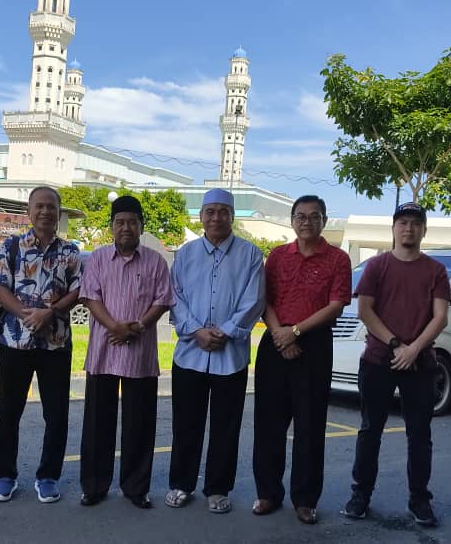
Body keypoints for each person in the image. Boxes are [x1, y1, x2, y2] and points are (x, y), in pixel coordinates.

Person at [342, 201, 450, 526]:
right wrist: (395, 344)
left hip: (420, 364)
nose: (408, 228)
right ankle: (360, 495)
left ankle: (420, 500)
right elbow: (365, 311)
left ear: (424, 230)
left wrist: (413, 349)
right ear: (393, 228)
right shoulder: (377, 266)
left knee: (419, 435)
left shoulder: (435, 270)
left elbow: (440, 317)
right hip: (378, 360)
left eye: (415, 223)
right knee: (369, 430)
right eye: (403, 222)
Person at [164, 188, 265, 514]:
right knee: (186, 424)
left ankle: (218, 489)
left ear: (232, 216)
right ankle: (182, 483)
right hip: (190, 354)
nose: (216, 218)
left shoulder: (250, 255)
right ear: (201, 216)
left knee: (226, 427)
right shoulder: (185, 254)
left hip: (230, 357)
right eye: (210, 211)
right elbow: (174, 297)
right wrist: (196, 331)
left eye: (223, 211)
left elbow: (254, 300)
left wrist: (225, 332)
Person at [252, 195, 351, 524]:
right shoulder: (278, 256)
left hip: (314, 345)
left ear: (324, 221)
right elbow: (265, 299)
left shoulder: (338, 259)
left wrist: (295, 332)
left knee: (310, 426)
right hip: (275, 340)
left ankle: (305, 500)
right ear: (292, 220)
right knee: (268, 425)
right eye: (300, 216)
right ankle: (268, 493)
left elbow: (336, 305)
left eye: (314, 216)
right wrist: (281, 334)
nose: (307, 222)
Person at [77, 196, 173, 509]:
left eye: (132, 222)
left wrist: (139, 326)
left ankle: (136, 488)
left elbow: (162, 300)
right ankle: (94, 486)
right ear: (111, 227)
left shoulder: (156, 262)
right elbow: (90, 297)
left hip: (140, 354)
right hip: (103, 352)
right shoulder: (98, 259)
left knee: (139, 424)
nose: (126, 228)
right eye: (120, 222)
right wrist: (115, 327)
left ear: (141, 227)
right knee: (97, 423)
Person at [0, 186, 82, 504]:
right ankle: (5, 476)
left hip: (56, 345)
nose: (45, 211)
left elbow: (78, 291)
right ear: (29, 212)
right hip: (14, 342)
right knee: (8, 413)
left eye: (51, 206)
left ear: (58, 212)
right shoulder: (12, 246)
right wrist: (26, 315)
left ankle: (48, 477)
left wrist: (50, 313)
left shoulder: (70, 251)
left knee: (56, 415)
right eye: (39, 206)